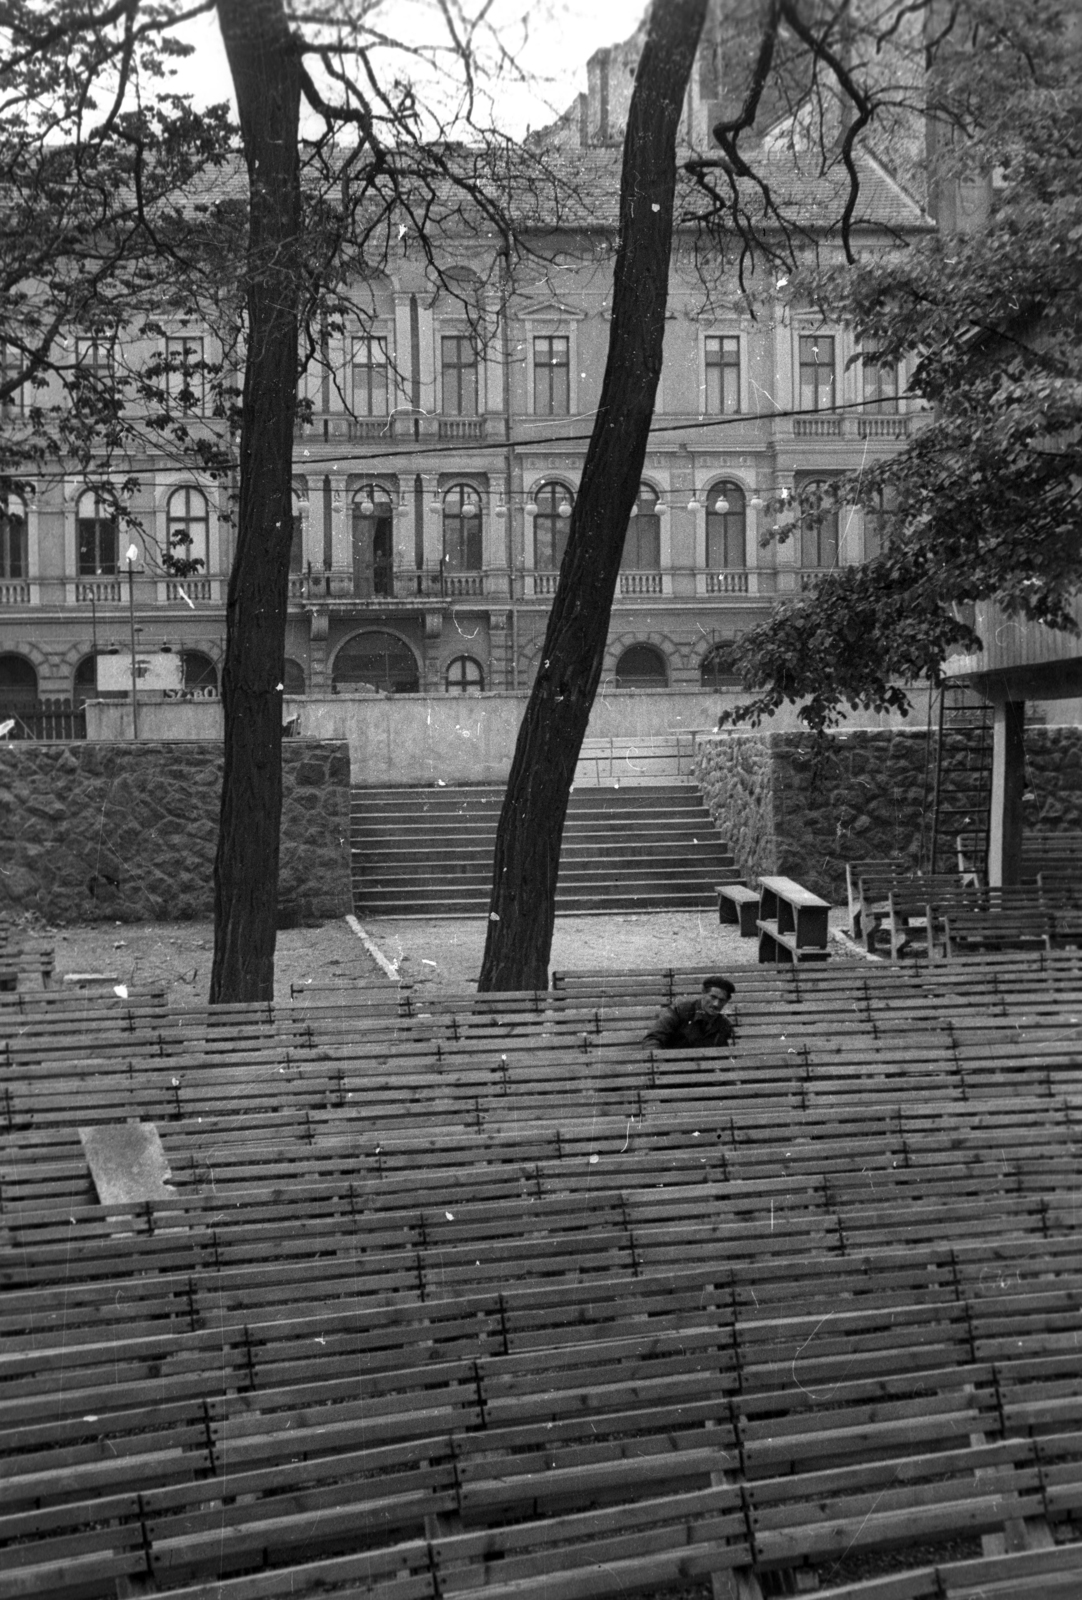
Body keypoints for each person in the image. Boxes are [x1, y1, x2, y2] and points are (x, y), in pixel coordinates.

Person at [644, 976, 735, 1049]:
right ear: (703, 992)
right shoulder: (679, 1011)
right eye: (713, 997)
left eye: (722, 1000)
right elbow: (653, 1039)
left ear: (727, 1001)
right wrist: (660, 1066)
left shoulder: (723, 1025)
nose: (716, 1004)